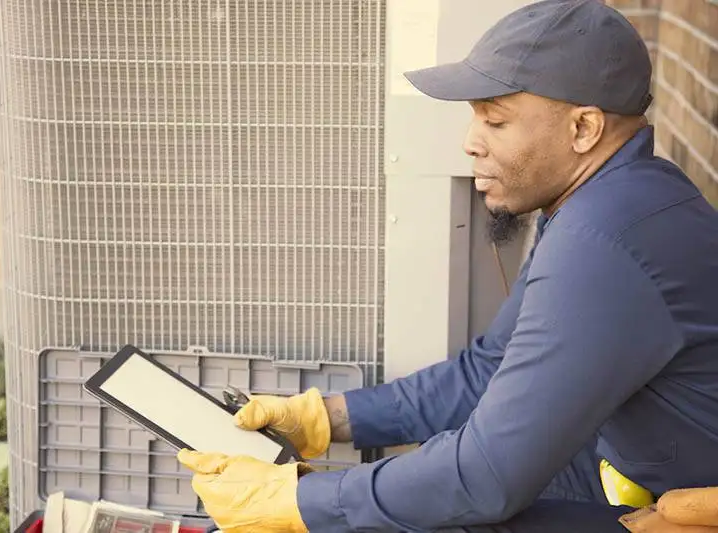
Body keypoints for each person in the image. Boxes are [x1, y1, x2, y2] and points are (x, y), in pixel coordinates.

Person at [177, 0, 718, 531]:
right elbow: (487, 370)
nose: (470, 143)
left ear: (583, 129)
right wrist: (325, 417)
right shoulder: (611, 198)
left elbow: (486, 479)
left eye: (496, 121)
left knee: (438, 514)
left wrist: (301, 503)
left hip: (676, 508)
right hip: (629, 471)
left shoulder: (604, 241)